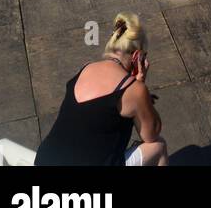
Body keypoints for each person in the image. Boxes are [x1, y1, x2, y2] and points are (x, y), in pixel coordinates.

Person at [35, 12, 168, 166]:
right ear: (137, 56)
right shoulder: (133, 89)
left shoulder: (86, 68)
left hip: (44, 161)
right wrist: (141, 86)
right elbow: (151, 134)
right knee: (158, 146)